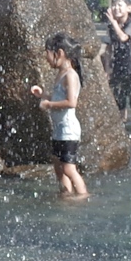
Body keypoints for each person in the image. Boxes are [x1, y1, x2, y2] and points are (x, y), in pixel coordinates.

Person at [30, 32, 89, 199]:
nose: (46, 58)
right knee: (57, 164)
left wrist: (48, 105)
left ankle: (83, 195)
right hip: (59, 129)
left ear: (60, 53)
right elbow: (58, 98)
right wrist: (43, 96)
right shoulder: (61, 75)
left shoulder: (70, 75)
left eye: (47, 53)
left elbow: (71, 102)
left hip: (68, 130)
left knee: (69, 168)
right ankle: (66, 193)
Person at [104, 0, 131, 124]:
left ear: (129, 8)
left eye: (120, 5)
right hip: (118, 66)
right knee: (119, 96)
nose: (116, 8)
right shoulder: (111, 27)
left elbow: (124, 38)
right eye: (114, 5)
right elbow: (108, 49)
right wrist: (107, 68)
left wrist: (113, 22)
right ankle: (122, 121)